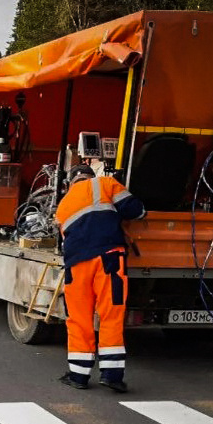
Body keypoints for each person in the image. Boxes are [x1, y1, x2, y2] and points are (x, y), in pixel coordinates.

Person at [55, 164, 146, 392]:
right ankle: (112, 376)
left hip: (76, 266)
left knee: (78, 319)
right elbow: (135, 210)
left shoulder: (62, 206)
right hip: (108, 259)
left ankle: (78, 376)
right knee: (111, 314)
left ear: (70, 182)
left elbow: (62, 242)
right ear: (91, 176)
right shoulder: (105, 184)